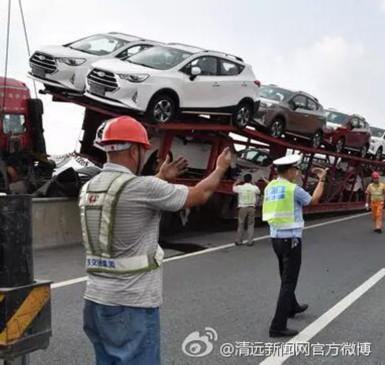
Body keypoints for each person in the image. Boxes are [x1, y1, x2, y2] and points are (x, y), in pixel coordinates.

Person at [79, 116, 232, 365]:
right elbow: (200, 194)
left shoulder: (90, 187)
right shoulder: (143, 187)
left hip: (95, 300)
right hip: (131, 303)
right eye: (143, 149)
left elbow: (130, 200)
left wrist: (160, 177)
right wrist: (220, 168)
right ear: (133, 150)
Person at [262, 154, 327, 338]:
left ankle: (292, 307)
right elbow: (313, 200)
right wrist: (322, 180)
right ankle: (277, 326)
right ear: (290, 171)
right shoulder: (293, 189)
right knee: (288, 282)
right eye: (296, 169)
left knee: (284, 276)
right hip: (291, 240)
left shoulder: (270, 187)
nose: (297, 173)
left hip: (275, 239)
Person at [233, 173, 261, 246]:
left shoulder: (240, 187)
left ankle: (238, 241)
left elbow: (233, 188)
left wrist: (236, 182)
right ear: (251, 180)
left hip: (242, 207)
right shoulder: (254, 188)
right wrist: (254, 184)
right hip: (251, 207)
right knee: (251, 224)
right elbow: (259, 192)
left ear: (244, 180)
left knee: (241, 224)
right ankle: (250, 241)